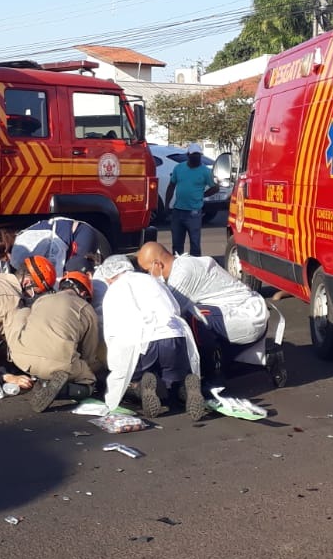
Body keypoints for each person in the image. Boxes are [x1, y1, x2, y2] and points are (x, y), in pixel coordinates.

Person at [136, 241, 269, 380]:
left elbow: (165, 315)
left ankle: (212, 379)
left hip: (248, 317)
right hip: (236, 312)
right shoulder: (182, 264)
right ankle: (217, 362)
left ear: (157, 264)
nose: (148, 275)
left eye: (147, 271)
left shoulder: (182, 276)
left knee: (194, 319)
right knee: (191, 319)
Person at [93, 255, 203, 420]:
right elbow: (175, 308)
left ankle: (145, 386)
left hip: (141, 345)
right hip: (173, 337)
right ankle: (185, 386)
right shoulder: (152, 280)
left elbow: (112, 332)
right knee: (173, 377)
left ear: (109, 277)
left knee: (135, 377)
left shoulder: (113, 292)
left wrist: (116, 365)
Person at [3, 271, 103, 413]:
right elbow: (89, 352)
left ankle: (44, 381)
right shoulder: (86, 308)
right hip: (58, 363)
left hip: (21, 359)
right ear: (83, 293)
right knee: (89, 381)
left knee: (23, 312)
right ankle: (61, 390)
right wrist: (90, 369)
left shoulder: (42, 300)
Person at [164, 143, 217, 256]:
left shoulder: (205, 171)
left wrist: (202, 195)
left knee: (195, 244)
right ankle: (178, 266)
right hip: (178, 211)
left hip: (194, 213)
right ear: (188, 155)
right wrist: (167, 204)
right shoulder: (179, 168)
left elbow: (215, 188)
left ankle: (196, 267)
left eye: (198, 155)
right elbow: (171, 186)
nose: (196, 157)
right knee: (177, 245)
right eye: (193, 155)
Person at [10, 216, 105, 274]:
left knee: (73, 274)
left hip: (78, 234)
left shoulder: (19, 252)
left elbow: (52, 254)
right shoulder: (21, 239)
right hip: (77, 236)